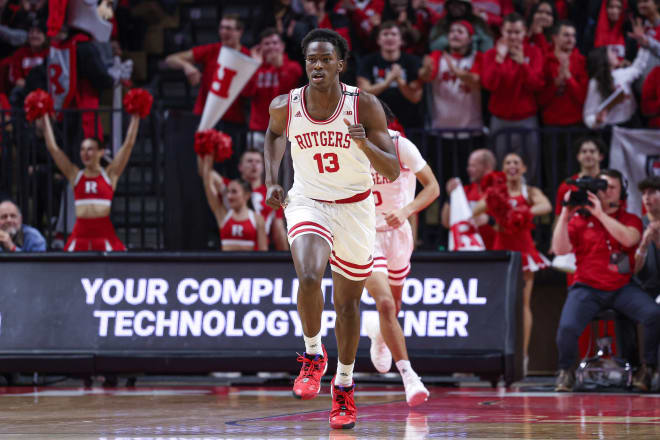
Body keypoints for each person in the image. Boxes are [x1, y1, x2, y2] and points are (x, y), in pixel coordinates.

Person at [264, 29, 399, 430]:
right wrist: (274, 179)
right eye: (311, 60)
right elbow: (273, 135)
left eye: (325, 59)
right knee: (308, 275)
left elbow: (390, 170)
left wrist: (365, 145)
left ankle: (343, 386)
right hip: (308, 200)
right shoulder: (285, 105)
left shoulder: (365, 106)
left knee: (347, 306)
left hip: (356, 208)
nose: (317, 66)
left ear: (341, 63)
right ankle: (311, 355)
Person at [553, 169, 660, 392]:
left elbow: (630, 239)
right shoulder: (579, 219)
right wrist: (565, 214)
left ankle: (648, 369)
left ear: (621, 192)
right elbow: (560, 248)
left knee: (653, 313)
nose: (605, 191)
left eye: (611, 187)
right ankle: (566, 371)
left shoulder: (630, 218)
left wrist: (601, 215)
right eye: (602, 187)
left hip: (622, 286)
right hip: (587, 287)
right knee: (567, 327)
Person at [364, 101, 439, 407]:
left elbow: (432, 187)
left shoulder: (402, 146)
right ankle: (409, 377)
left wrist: (407, 210)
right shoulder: (352, 149)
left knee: (393, 306)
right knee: (383, 302)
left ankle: (379, 335)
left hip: (398, 234)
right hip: (366, 235)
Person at [473, 153, 552, 372]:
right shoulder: (495, 192)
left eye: (517, 162)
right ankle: (500, 352)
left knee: (523, 304)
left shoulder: (530, 192)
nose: (512, 165)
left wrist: (520, 211)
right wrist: (493, 219)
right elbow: (473, 211)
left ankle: (522, 356)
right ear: (503, 168)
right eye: (508, 162)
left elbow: (546, 206)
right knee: (500, 305)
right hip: (502, 252)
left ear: (524, 168)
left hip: (525, 252)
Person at [40, 113, 140, 251]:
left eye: (90, 149)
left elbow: (128, 145)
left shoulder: (110, 174)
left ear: (101, 152)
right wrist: (45, 117)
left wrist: (136, 116)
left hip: (104, 233)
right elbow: (53, 148)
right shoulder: (75, 175)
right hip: (80, 234)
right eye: (82, 149)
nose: (85, 153)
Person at [480, 13, 544, 185]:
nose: (513, 36)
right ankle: (501, 204)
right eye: (509, 32)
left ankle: (529, 206)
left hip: (526, 119)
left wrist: (523, 63)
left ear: (524, 33)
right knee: (500, 166)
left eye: (517, 32)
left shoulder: (534, 52)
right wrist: (499, 60)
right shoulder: (491, 55)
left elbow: (537, 84)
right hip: (500, 119)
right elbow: (488, 84)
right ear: (502, 32)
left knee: (529, 165)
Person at [206, 149, 289, 250]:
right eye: (249, 161)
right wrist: (209, 149)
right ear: (240, 167)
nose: (254, 164)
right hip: (229, 253)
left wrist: (284, 260)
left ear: (263, 167)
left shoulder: (271, 196)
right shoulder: (231, 188)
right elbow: (209, 176)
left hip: (256, 253)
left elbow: (279, 232)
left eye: (258, 162)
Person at [357, 21, 424, 130]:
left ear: (401, 40)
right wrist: (387, 81)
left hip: (410, 124)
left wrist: (399, 80)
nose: (389, 37)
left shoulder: (413, 61)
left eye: (393, 34)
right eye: (385, 34)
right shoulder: (367, 61)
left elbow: (415, 97)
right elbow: (363, 94)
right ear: (378, 40)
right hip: (376, 124)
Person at [248, 28, 303, 150]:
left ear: (282, 46)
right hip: (258, 128)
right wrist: (254, 66)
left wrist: (279, 68)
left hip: (286, 130)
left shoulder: (293, 67)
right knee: (257, 167)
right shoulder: (255, 68)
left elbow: (284, 93)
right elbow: (247, 92)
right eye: (267, 44)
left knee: (287, 169)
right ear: (259, 48)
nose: (271, 47)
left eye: (274, 43)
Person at [200, 154, 267, 251]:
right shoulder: (222, 216)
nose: (229, 196)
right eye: (228, 192)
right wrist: (209, 153)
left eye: (234, 192)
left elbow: (263, 254)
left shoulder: (257, 220)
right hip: (225, 266)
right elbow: (207, 182)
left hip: (249, 266)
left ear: (246, 195)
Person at [583, 43, 650, 129]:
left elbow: (639, 67)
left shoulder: (621, 73)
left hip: (631, 124)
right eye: (611, 51)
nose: (616, 54)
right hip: (611, 130)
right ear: (603, 58)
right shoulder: (595, 83)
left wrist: (645, 44)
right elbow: (588, 115)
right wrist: (596, 121)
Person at [441, 148, 497, 249]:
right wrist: (450, 196)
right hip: (470, 251)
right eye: (469, 165)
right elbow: (446, 222)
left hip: (496, 252)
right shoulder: (465, 191)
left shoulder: (500, 190)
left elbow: (510, 224)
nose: (468, 169)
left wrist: (489, 220)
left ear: (487, 167)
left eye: (473, 165)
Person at [634, 176, 660, 298]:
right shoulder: (635, 226)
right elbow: (632, 270)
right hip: (643, 290)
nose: (646, 197)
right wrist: (643, 245)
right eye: (644, 193)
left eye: (652, 192)